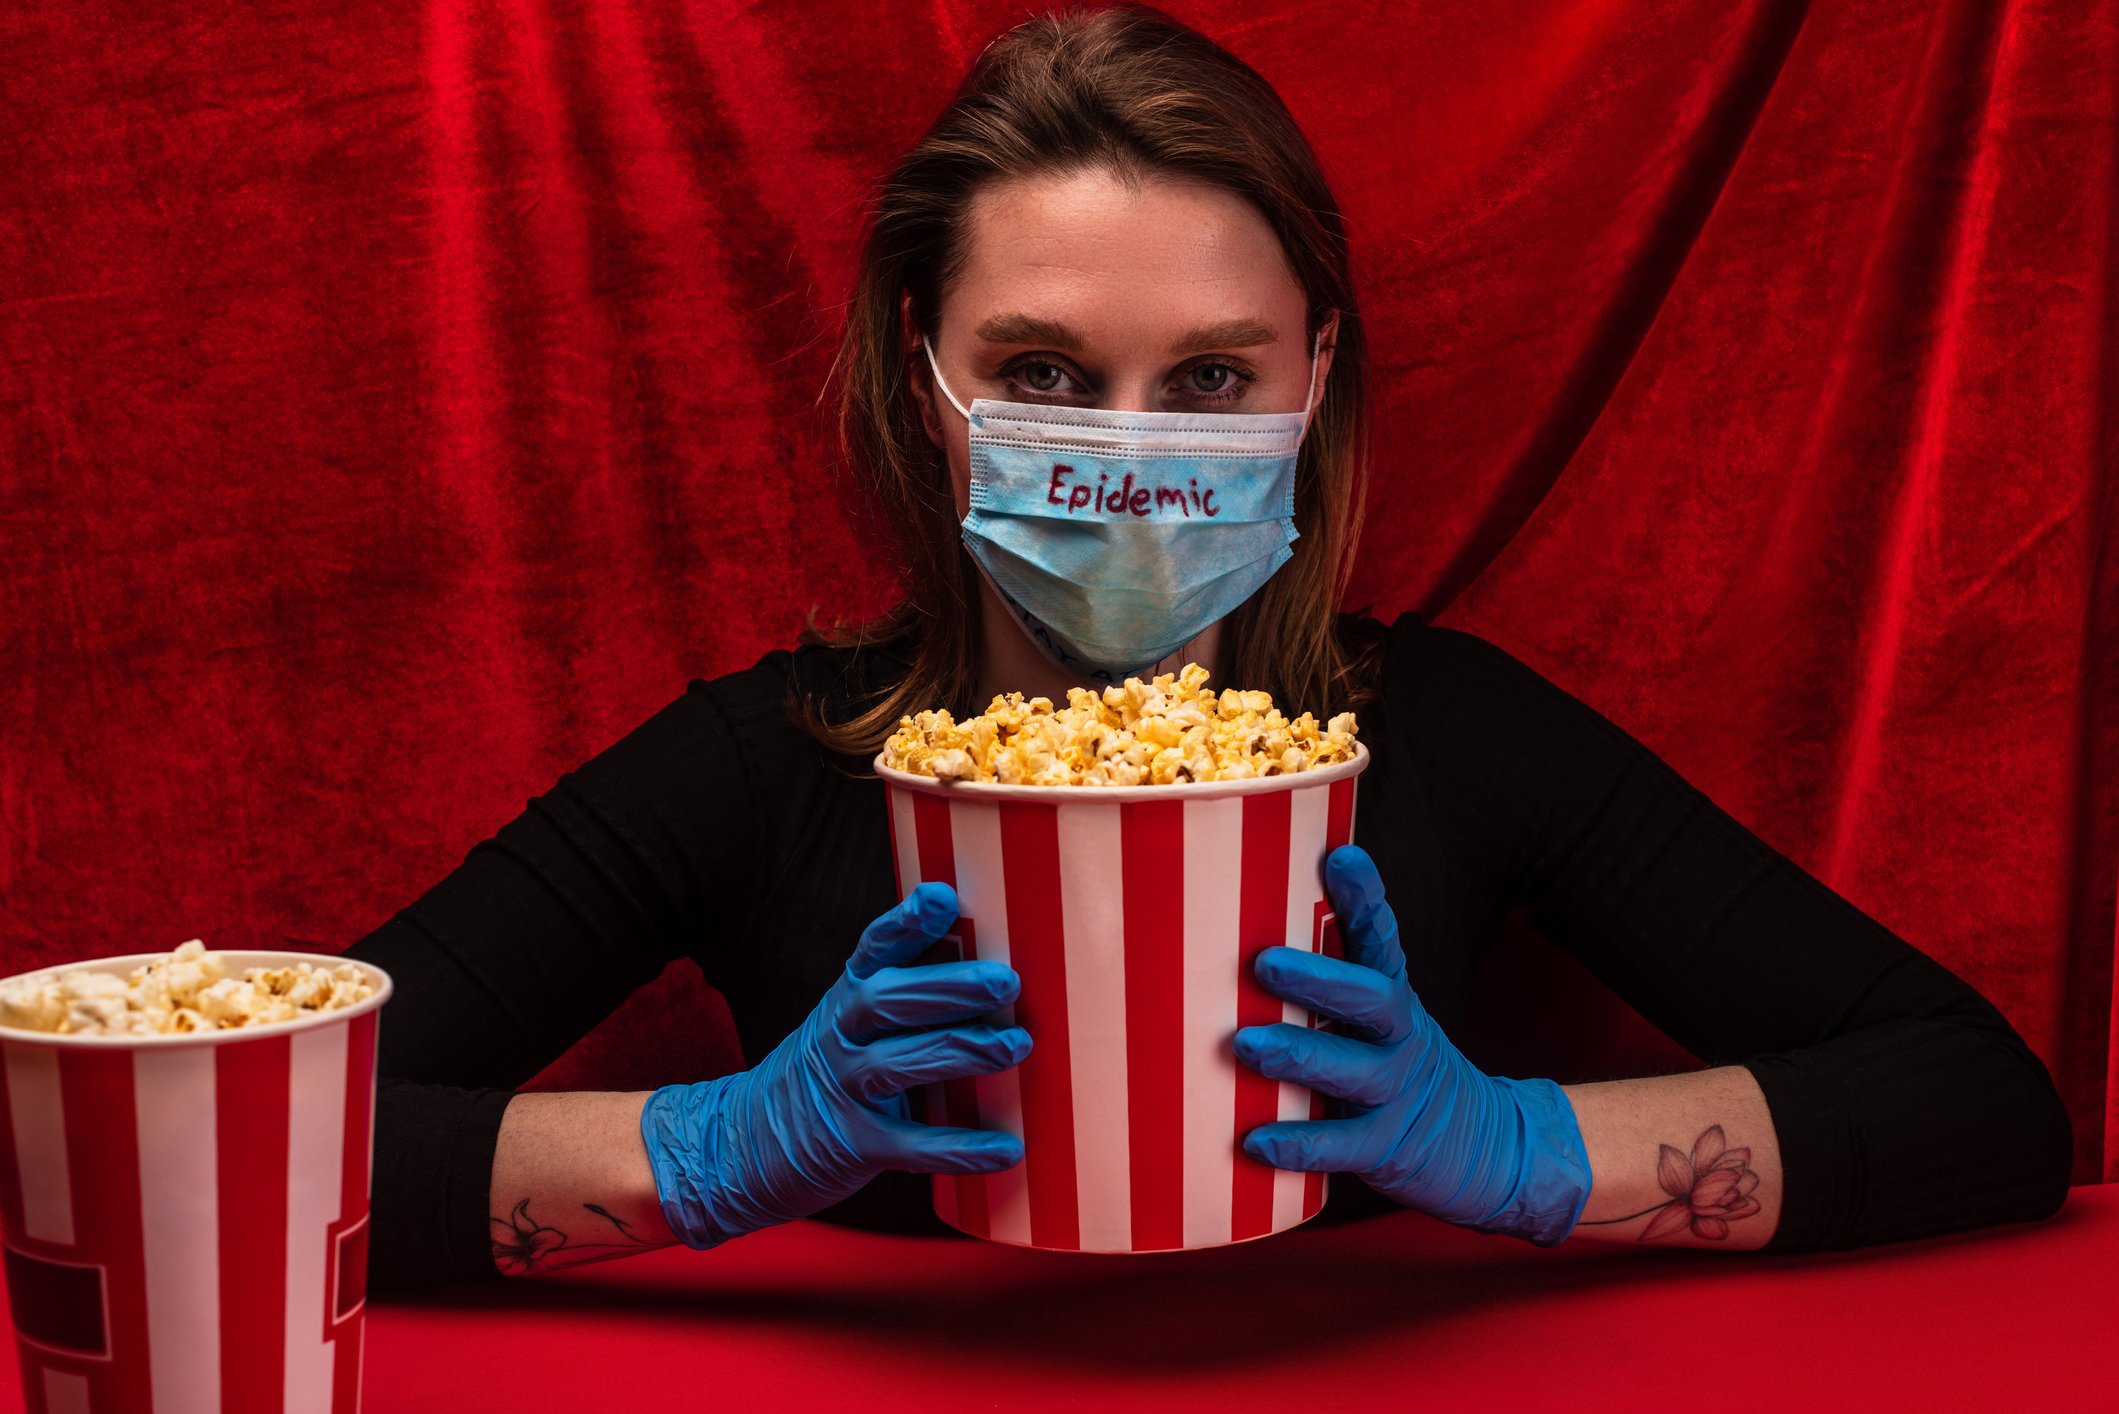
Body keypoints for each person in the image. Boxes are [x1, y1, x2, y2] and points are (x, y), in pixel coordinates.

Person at [348, 5, 2071, 1291]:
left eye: (1209, 378)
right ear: (923, 377)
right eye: (1040, 373)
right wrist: (717, 1143)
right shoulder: (764, 766)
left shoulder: (1447, 737)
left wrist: (1522, 1146)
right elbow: (282, 1136)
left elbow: (1980, 1101)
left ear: (1312, 380)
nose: (1127, 447)